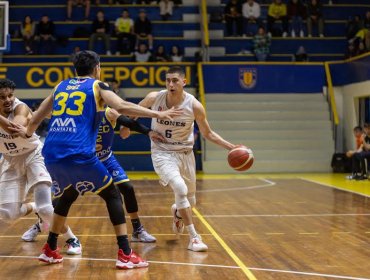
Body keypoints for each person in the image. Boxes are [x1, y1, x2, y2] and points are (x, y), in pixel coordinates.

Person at [8, 50, 182, 268]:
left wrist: (24, 134)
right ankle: (126, 254)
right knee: (112, 194)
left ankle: (50, 248)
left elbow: (37, 118)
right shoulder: (97, 86)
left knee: (67, 196)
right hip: (79, 153)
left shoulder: (60, 86)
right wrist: (159, 115)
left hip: (50, 154)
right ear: (97, 67)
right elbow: (121, 106)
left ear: (75, 69)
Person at [24, 107, 161, 243]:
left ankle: (137, 230)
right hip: (84, 161)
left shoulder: (108, 113)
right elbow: (42, 113)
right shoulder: (75, 113)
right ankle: (40, 224)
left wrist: (148, 132)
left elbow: (128, 122)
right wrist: (29, 114)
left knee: (127, 188)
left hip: (106, 158)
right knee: (66, 197)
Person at [138, 66, 237, 252]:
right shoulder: (155, 98)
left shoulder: (194, 106)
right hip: (162, 152)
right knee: (180, 188)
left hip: (186, 154)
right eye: (168, 80)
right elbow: (134, 110)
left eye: (175, 80)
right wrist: (132, 127)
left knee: (190, 202)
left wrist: (231, 147)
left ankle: (177, 211)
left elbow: (208, 133)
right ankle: (194, 238)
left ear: (184, 82)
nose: (170, 84)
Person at [0, 79, 81, 255]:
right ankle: (33, 207)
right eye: (2, 97)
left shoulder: (20, 108)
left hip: (33, 155)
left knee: (46, 208)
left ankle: (71, 239)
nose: (8, 100)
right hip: (10, 160)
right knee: (8, 214)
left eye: (10, 95)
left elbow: (16, 128)